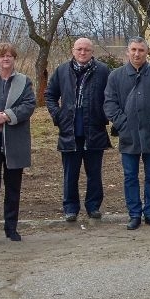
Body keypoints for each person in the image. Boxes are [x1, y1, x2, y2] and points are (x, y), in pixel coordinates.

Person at [104, 37, 150, 230]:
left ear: (147, 53)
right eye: (133, 50)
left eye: (141, 50)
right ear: (127, 52)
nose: (137, 54)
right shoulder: (116, 76)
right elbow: (109, 104)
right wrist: (122, 124)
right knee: (130, 176)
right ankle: (134, 214)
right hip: (128, 135)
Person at [46, 38, 112, 222]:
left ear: (92, 52)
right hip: (69, 131)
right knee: (70, 173)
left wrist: (104, 115)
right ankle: (70, 208)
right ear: (73, 50)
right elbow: (50, 95)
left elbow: (112, 96)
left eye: (87, 50)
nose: (83, 53)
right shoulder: (62, 71)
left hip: (95, 130)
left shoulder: (103, 71)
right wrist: (57, 115)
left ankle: (93, 207)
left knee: (94, 173)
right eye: (79, 49)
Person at [0, 43, 36, 248]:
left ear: (14, 59)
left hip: (14, 142)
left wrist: (5, 117)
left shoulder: (24, 81)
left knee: (13, 188)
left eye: (10, 55)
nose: (6, 59)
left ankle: (11, 228)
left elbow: (29, 105)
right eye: (2, 56)